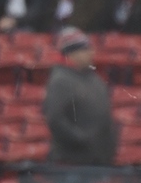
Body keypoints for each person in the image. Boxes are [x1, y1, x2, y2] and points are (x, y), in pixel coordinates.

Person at [43, 28, 115, 166]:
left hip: (97, 158)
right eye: (85, 50)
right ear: (72, 54)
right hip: (71, 160)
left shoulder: (94, 79)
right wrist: (81, 139)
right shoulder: (61, 80)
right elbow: (55, 119)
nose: (91, 53)